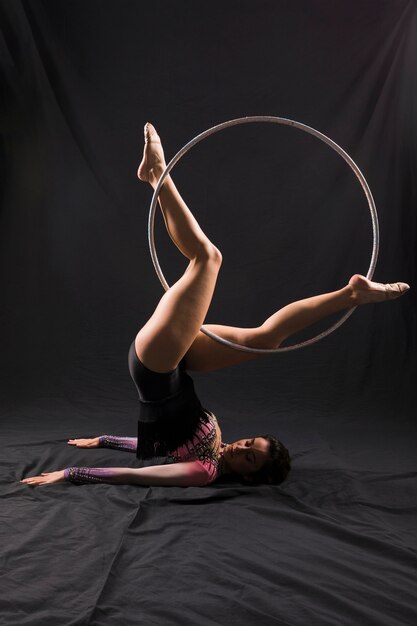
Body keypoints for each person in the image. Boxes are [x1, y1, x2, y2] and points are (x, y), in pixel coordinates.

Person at [21, 123, 410, 489]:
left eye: (249, 459)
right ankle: (350, 295)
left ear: (246, 477)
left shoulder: (204, 471)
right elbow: (155, 441)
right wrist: (104, 438)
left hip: (156, 368)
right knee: (265, 339)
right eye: (250, 443)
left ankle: (157, 174)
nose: (240, 448)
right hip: (180, 365)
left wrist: (74, 473)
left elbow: (139, 475)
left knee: (208, 258)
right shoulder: (220, 445)